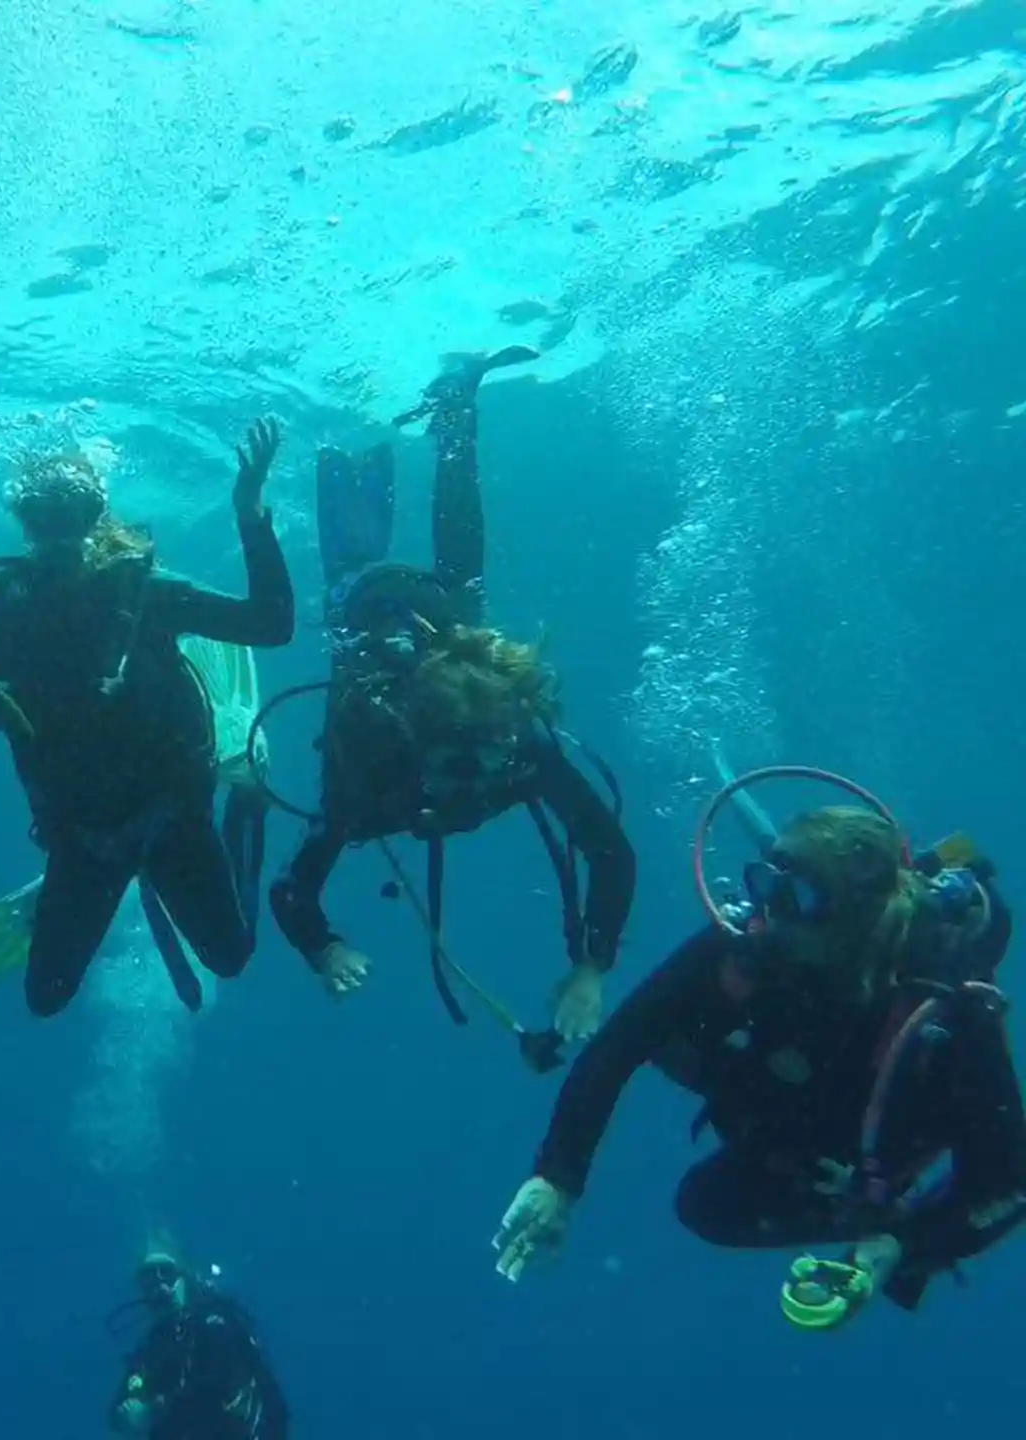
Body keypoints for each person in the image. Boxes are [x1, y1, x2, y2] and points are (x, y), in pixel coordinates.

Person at [493, 800, 1024, 1330]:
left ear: (854, 918)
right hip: (790, 1108)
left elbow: (1009, 1180)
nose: (768, 912)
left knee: (708, 1206)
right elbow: (619, 1044)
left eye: (800, 897)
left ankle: (891, 1220)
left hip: (879, 1133)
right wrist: (556, 1177)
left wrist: (895, 1249)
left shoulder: (948, 1011)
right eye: (766, 882)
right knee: (706, 1198)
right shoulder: (746, 945)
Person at [0, 421, 295, 1017]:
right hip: (86, 836)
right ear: (26, 524)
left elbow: (270, 626)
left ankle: (247, 805)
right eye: (43, 517)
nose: (59, 533)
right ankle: (94, 886)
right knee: (46, 998)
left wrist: (250, 509)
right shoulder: (15, 616)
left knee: (230, 958)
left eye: (74, 512)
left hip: (173, 815)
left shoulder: (145, 595)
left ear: (97, 515)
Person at [264, 346, 633, 1054]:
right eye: (454, 765)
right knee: (425, 585)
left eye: (484, 761)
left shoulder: (519, 746)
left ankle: (448, 416)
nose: (472, 780)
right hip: (381, 615)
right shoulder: (375, 762)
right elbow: (294, 888)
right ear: (416, 745)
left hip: (431, 629)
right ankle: (450, 416)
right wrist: (324, 949)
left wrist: (593, 967)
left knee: (459, 591)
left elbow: (611, 853)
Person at [108, 1249, 289, 1440]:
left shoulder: (214, 1324)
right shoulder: (152, 1347)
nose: (160, 1287)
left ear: (184, 1280)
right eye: (149, 1279)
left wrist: (151, 1410)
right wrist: (127, 1413)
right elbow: (116, 1411)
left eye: (167, 1274)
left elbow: (214, 1388)